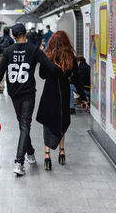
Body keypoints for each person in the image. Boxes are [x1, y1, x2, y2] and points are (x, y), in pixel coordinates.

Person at [0, 23, 62, 176]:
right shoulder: (34, 50)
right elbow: (50, 66)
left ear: (14, 37)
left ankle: (19, 161)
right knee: (24, 125)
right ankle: (30, 153)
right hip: (28, 93)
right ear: (26, 35)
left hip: (14, 93)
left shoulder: (8, 51)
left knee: (23, 124)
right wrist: (64, 71)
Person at [36, 31, 89, 171]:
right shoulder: (70, 57)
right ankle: (62, 152)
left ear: (51, 42)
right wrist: (83, 98)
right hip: (64, 93)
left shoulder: (48, 57)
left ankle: (47, 155)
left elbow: (41, 76)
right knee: (61, 120)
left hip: (49, 92)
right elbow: (77, 80)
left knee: (48, 123)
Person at [0, 27, 14, 93]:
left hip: (0, 56)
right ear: (9, 32)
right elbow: (13, 49)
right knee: (9, 72)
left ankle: (1, 87)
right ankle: (10, 88)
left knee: (1, 72)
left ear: (3, 32)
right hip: (8, 57)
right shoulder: (11, 40)